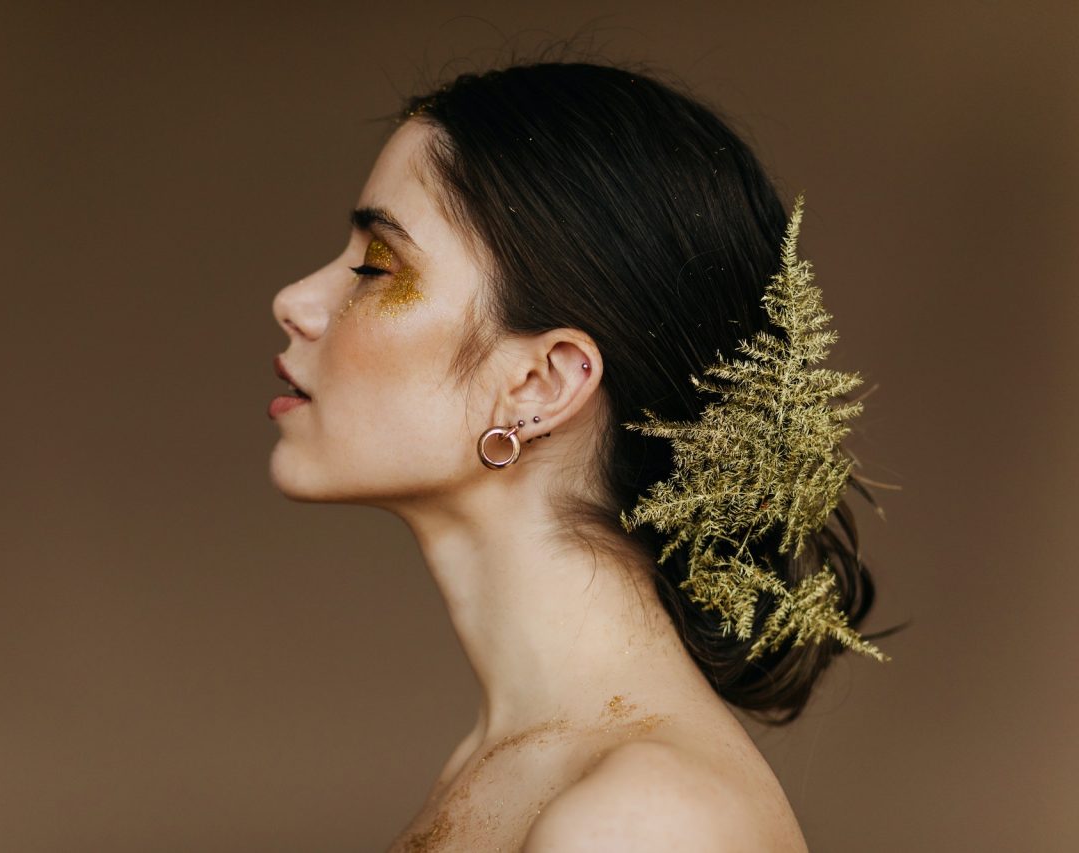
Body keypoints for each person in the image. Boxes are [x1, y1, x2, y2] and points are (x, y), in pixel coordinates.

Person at [268, 60, 885, 852]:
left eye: (374, 267)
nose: (294, 300)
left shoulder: (642, 819)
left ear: (541, 383)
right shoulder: (497, 766)